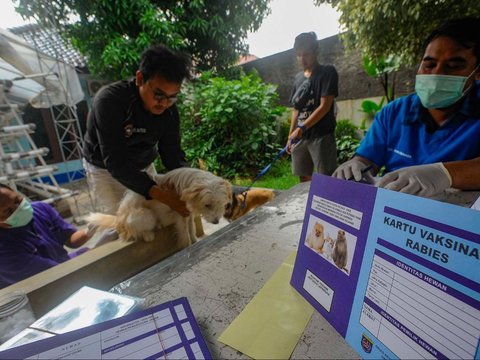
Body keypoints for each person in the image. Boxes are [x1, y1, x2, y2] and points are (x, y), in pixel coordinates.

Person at [333, 17, 480, 197]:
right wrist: (357, 164)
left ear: (477, 72)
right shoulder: (394, 113)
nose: (437, 73)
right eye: (429, 64)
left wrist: (446, 174)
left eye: (453, 66)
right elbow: (368, 159)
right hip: (394, 214)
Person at [82, 44, 192, 215]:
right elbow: (115, 162)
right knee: (118, 222)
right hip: (104, 169)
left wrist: (194, 181)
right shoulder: (110, 101)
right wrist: (160, 194)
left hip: (144, 165)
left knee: (156, 217)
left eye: (172, 97)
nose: (164, 103)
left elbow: (173, 157)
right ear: (140, 79)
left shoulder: (169, 111)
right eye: (159, 94)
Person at [0, 184, 96, 289]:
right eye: (7, 211)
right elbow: (55, 273)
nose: (19, 208)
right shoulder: (3, 251)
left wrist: (89, 231)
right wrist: (95, 249)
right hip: (40, 291)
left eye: (17, 200)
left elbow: (70, 240)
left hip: (64, 273)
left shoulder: (40, 209)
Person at [287, 32, 339, 182]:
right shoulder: (298, 78)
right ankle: (305, 205)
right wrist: (290, 136)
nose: (302, 59)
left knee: (326, 180)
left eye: (306, 54)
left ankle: (326, 205)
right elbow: (296, 109)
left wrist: (301, 128)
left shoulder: (327, 72)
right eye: (298, 55)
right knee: (304, 181)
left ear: (316, 52)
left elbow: (324, 106)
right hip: (300, 138)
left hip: (321, 136)